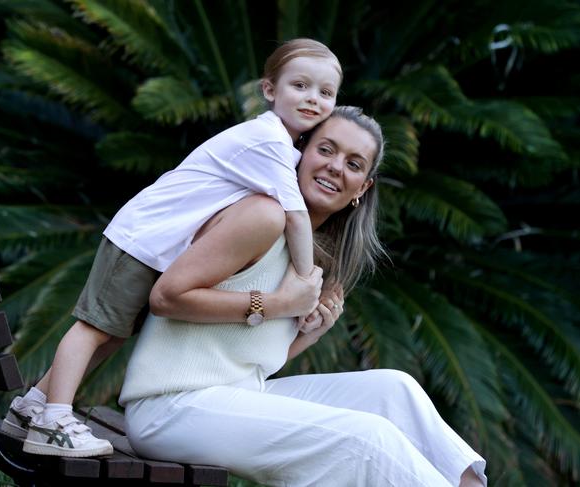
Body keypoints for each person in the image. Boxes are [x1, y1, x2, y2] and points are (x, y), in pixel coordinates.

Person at [0, 38, 342, 457]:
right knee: (94, 328)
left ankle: (30, 408)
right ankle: (54, 419)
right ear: (270, 89)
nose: (313, 99)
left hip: (157, 245)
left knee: (111, 335)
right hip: (143, 236)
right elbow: (295, 216)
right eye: (301, 86)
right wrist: (305, 283)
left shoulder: (280, 147)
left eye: (325, 93)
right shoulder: (267, 140)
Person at [120, 107, 488, 487]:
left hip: (233, 394)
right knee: (365, 439)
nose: (335, 167)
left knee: (395, 390)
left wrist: (306, 335)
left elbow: (246, 363)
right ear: (299, 153)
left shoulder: (314, 257)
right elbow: (167, 297)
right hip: (170, 407)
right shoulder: (264, 216)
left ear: (362, 188)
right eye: (326, 150)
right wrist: (277, 305)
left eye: (354, 164)